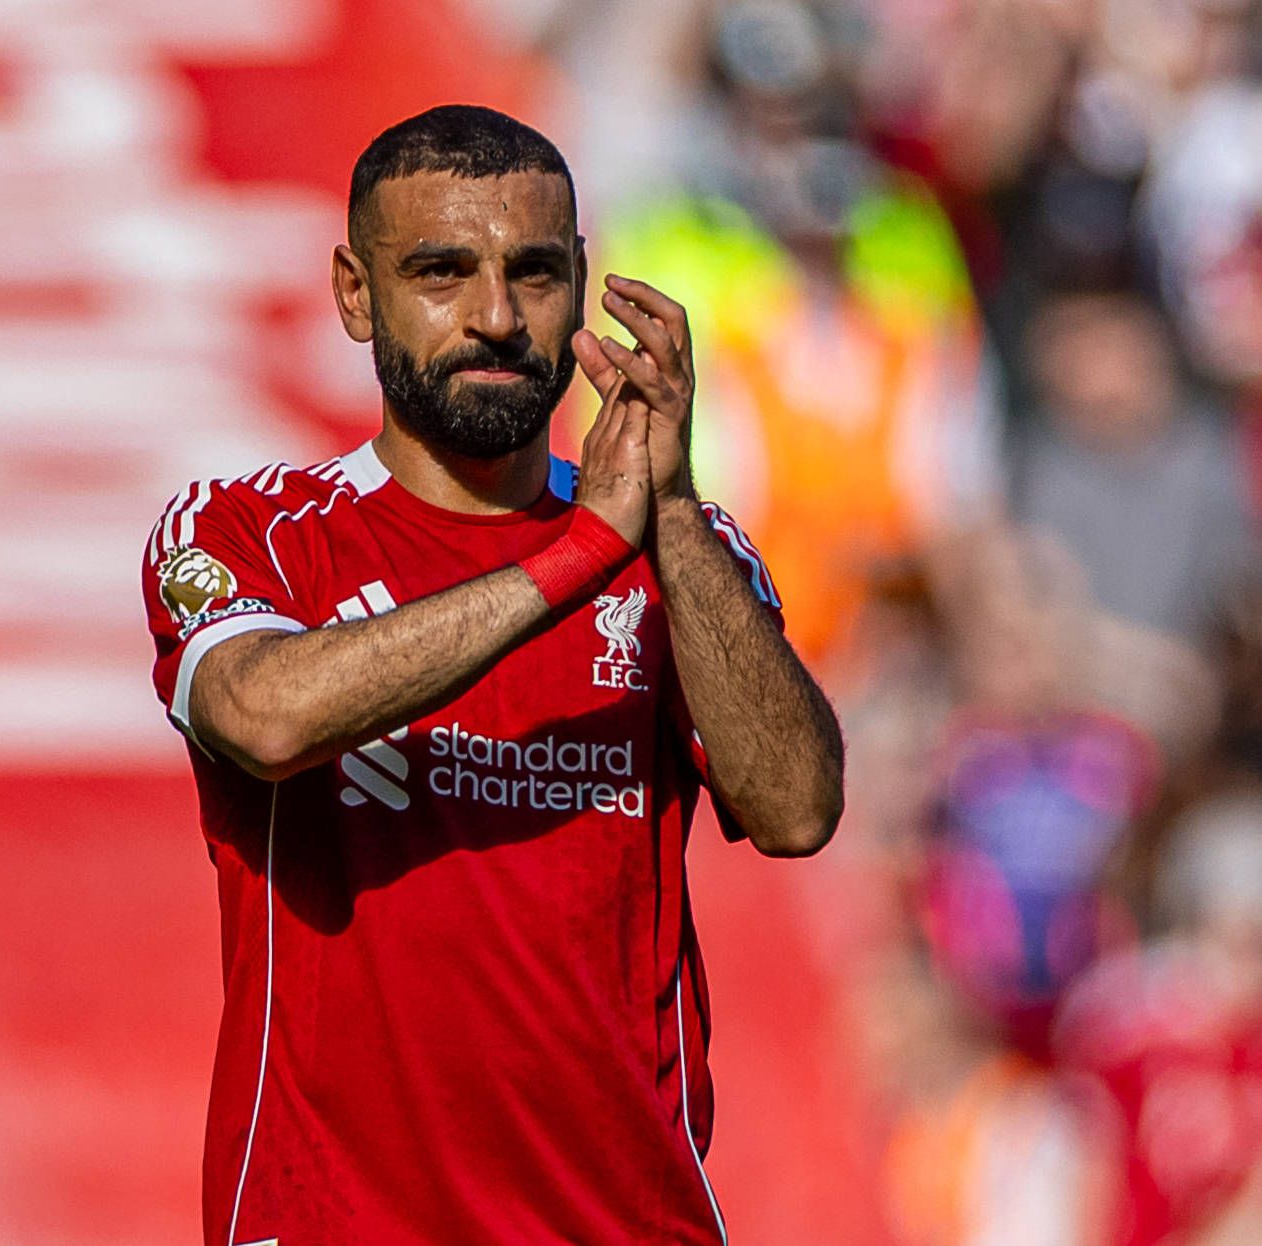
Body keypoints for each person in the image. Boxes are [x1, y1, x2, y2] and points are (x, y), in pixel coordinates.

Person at [141, 104, 845, 1246]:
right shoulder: (251, 530)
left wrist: (661, 512)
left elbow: (797, 807)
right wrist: (573, 559)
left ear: (579, 282)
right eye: (439, 272)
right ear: (354, 294)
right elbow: (261, 715)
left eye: (532, 272)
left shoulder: (680, 547)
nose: (495, 317)